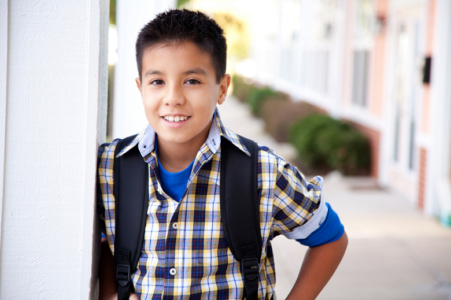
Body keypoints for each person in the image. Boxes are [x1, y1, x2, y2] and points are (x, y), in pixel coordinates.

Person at [97, 8, 348, 300]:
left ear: (222, 88)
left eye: (192, 81)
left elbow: (330, 238)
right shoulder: (109, 169)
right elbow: (105, 242)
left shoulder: (263, 173)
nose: (173, 98)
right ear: (141, 88)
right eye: (157, 81)